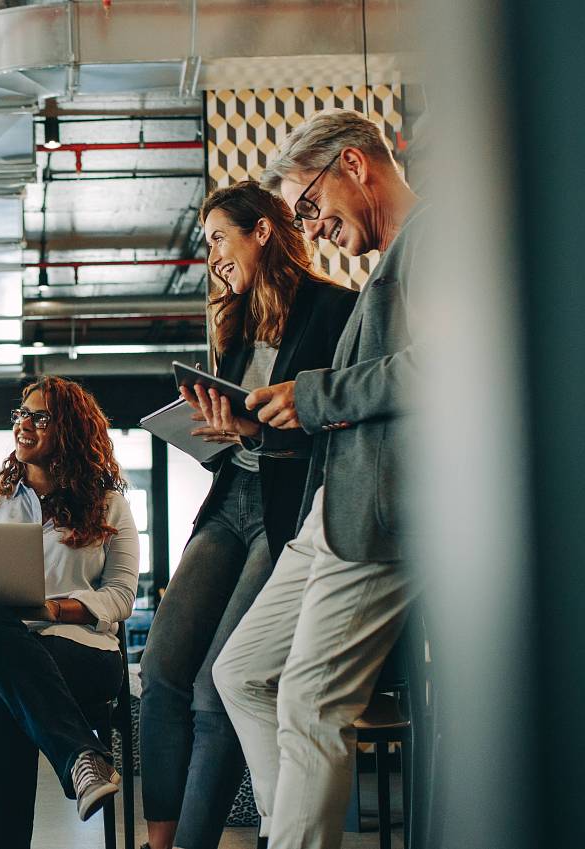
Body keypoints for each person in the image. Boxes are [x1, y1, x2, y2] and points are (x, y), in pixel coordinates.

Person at [210, 109, 422, 849]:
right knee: (240, 671)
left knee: (309, 699)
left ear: (355, 166)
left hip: (381, 514)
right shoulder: (389, 266)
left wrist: (315, 394)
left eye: (310, 205)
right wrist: (272, 421)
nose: (313, 225)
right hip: (333, 510)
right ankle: (290, 830)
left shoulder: (433, 244)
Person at [141, 183, 357, 849]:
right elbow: (241, 433)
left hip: (286, 512)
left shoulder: (334, 308)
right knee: (161, 670)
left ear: (261, 230)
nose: (212, 256)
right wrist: (215, 430)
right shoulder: (233, 324)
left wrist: (255, 432)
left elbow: (336, 431)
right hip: (232, 498)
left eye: (217, 238)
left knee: (215, 685)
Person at [0, 376, 136, 849]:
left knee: (2, 697)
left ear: (71, 429)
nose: (23, 424)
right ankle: (81, 756)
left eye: (39, 416)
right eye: (20, 415)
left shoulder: (110, 507)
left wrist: (55, 608)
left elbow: (121, 596)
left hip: (75, 650)